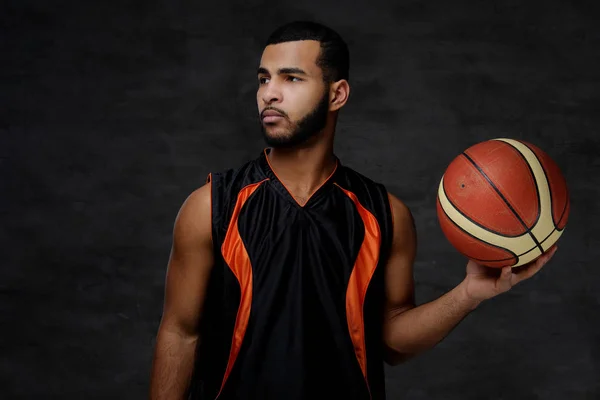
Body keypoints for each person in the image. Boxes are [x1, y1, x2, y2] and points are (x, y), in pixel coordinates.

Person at [149, 20, 557, 400]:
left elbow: (392, 342)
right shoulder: (211, 205)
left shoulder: (385, 214)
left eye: (291, 78)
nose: (268, 93)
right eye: (263, 78)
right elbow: (180, 334)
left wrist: (468, 294)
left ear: (337, 93)